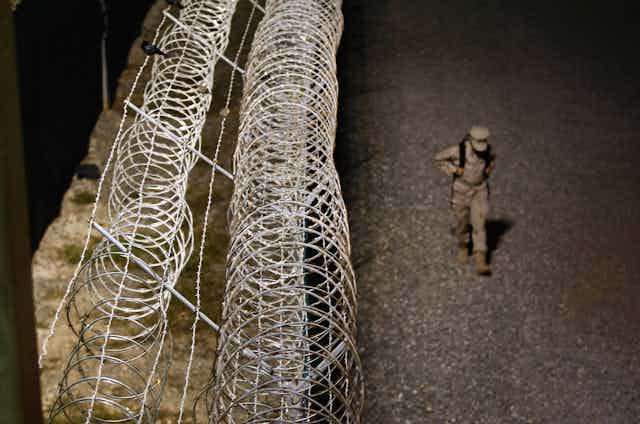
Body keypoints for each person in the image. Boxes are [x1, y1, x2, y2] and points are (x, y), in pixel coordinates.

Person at [434, 126, 496, 275]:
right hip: (462, 190)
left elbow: (492, 160)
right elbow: (438, 158)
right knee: (462, 222)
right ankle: (463, 245)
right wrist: (455, 170)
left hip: (479, 190)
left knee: (479, 223)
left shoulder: (487, 151)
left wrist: (489, 170)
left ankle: (481, 259)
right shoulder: (459, 150)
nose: (481, 149)